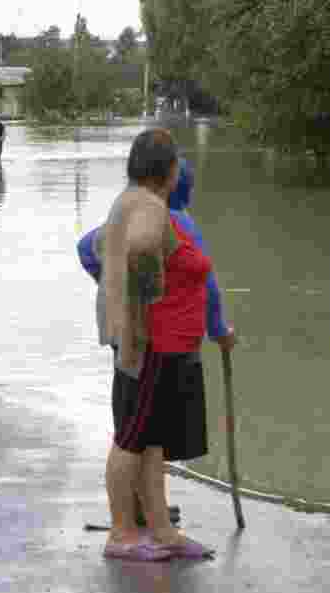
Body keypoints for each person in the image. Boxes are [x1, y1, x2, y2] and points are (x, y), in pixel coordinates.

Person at [99, 127, 232, 561]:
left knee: (151, 440)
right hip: (147, 342)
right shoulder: (151, 208)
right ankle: (121, 534)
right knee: (132, 439)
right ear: (169, 170)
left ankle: (161, 529)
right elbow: (140, 249)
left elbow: (103, 248)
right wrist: (147, 302)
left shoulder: (131, 200)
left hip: (140, 338)